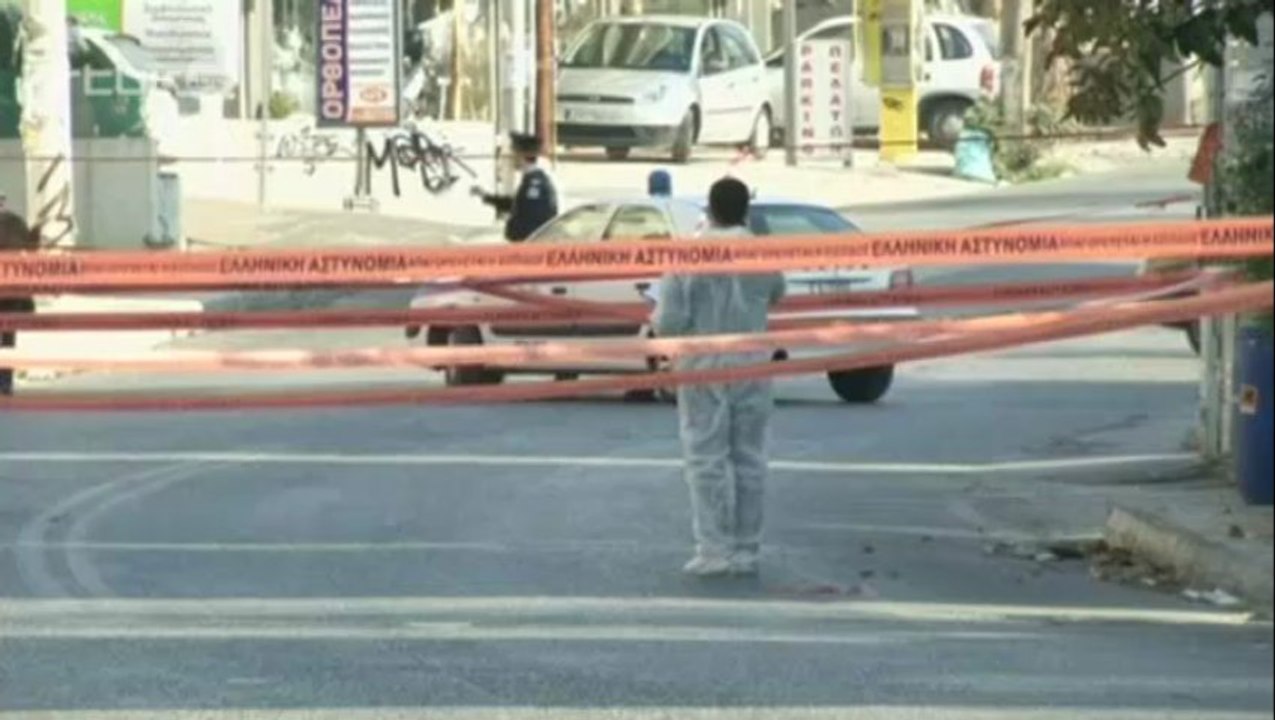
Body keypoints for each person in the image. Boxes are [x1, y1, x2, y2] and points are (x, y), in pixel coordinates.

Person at [651, 178, 786, 577]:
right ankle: (747, 549)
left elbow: (670, 320)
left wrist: (660, 330)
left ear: (709, 209)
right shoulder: (764, 255)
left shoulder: (686, 256)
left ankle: (713, 549)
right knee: (749, 458)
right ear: (746, 209)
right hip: (752, 362)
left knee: (705, 458)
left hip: (701, 363)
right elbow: (778, 293)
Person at [474, 132, 559, 242]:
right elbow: (517, 204)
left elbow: (533, 221)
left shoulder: (535, 185)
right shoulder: (531, 180)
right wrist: (486, 196)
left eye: (513, 153)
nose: (510, 158)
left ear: (521, 155)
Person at [0, 211, 37, 397]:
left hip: (11, 292)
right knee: (8, 338)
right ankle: (5, 383)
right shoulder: (16, 222)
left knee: (8, 337)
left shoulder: (15, 223)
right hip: (12, 292)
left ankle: (5, 382)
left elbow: (29, 254)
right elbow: (31, 252)